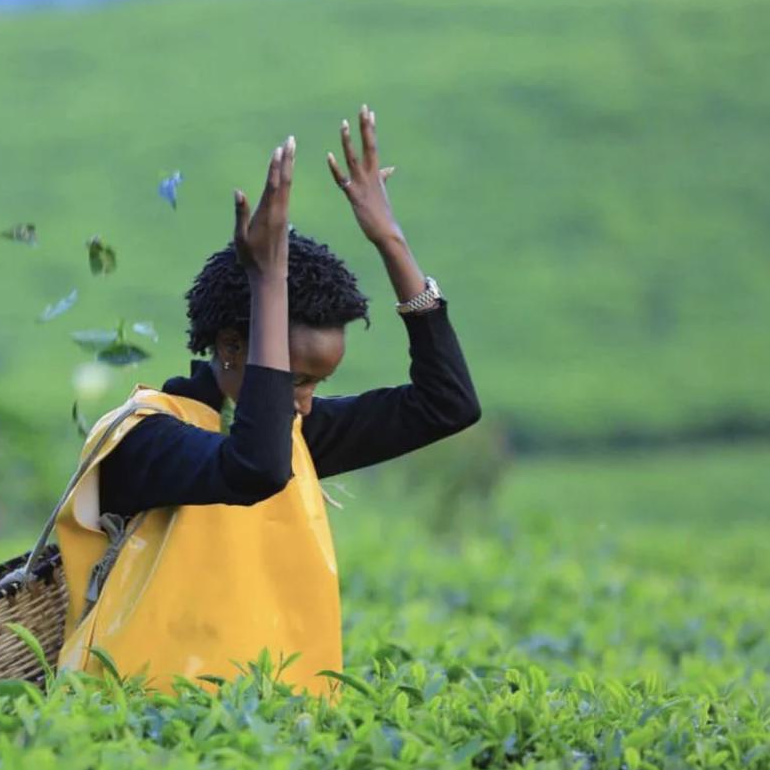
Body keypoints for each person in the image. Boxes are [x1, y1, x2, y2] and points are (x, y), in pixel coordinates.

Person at [53, 105, 481, 694]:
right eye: (294, 379)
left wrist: (392, 242)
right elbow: (253, 469)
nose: (301, 402)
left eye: (314, 384)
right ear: (231, 346)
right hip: (140, 724)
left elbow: (447, 404)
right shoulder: (146, 436)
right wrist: (267, 281)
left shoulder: (294, 435)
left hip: (263, 728)